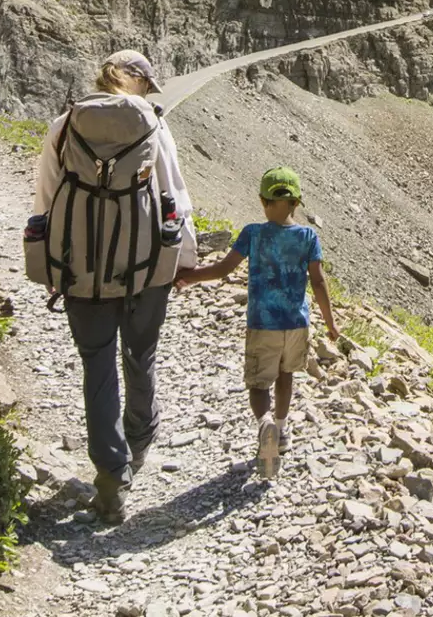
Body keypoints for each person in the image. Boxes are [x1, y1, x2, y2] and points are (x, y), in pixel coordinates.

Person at [32, 49, 196, 522]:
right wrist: (182, 259)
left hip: (79, 269)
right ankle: (140, 438)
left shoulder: (65, 124)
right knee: (139, 356)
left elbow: (46, 196)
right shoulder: (153, 126)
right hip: (144, 267)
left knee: (97, 368)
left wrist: (52, 266)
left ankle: (110, 480)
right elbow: (174, 194)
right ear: (141, 81)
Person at [176, 166, 339, 480]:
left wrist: (189, 276)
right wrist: (331, 324)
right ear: (297, 202)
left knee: (258, 383)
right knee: (285, 373)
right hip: (296, 323)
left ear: (263, 201)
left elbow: (223, 269)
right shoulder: (308, 236)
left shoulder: (253, 233)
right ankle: (281, 428)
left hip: (263, 323)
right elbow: (318, 282)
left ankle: (264, 422)